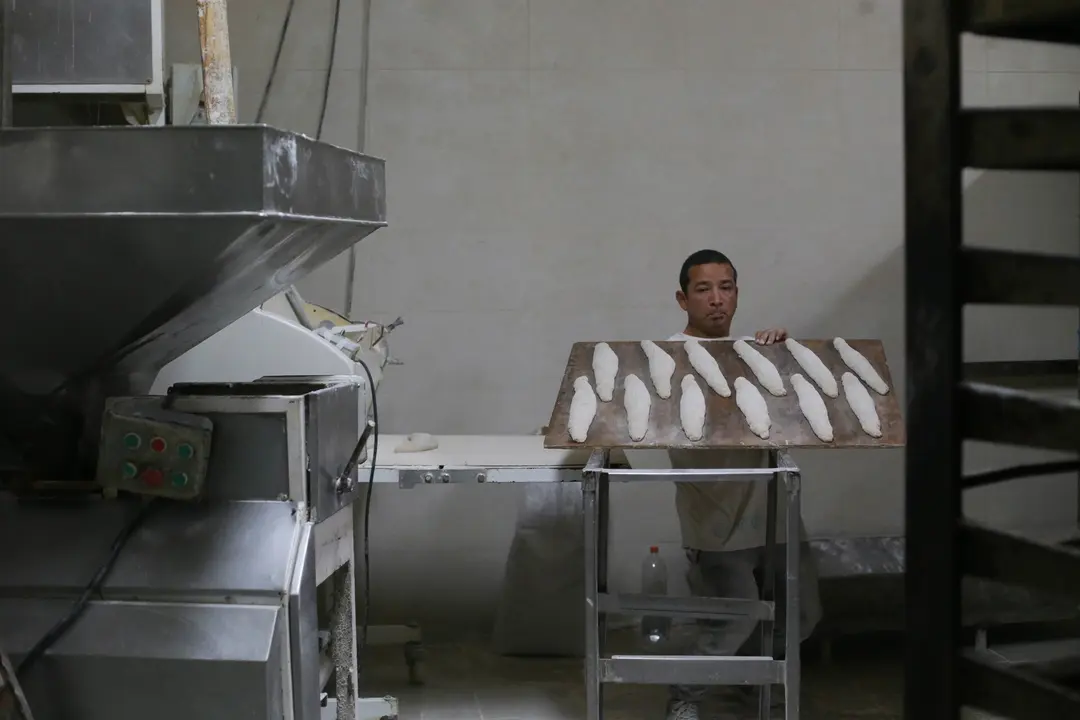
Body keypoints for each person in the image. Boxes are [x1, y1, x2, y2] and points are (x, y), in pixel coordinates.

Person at [664, 249, 822, 720]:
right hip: (717, 519)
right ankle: (684, 698)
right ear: (683, 299)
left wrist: (780, 356)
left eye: (726, 287)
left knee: (798, 614)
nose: (717, 299)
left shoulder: (753, 353)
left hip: (773, 510)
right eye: (703, 289)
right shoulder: (670, 358)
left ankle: (761, 696)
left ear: (737, 294)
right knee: (730, 623)